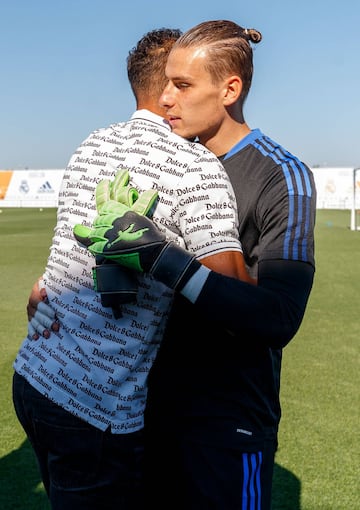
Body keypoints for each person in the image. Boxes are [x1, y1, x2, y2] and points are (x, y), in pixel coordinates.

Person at [71, 20, 316, 509]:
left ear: (229, 89)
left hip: (227, 421)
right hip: (146, 411)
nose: (165, 100)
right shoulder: (170, 160)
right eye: (165, 85)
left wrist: (164, 260)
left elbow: (278, 318)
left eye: (182, 86)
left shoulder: (282, 176)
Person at [12, 27, 252, 510]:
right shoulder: (194, 166)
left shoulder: (91, 143)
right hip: (96, 406)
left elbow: (60, 266)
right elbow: (236, 301)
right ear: (172, 84)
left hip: (34, 375)